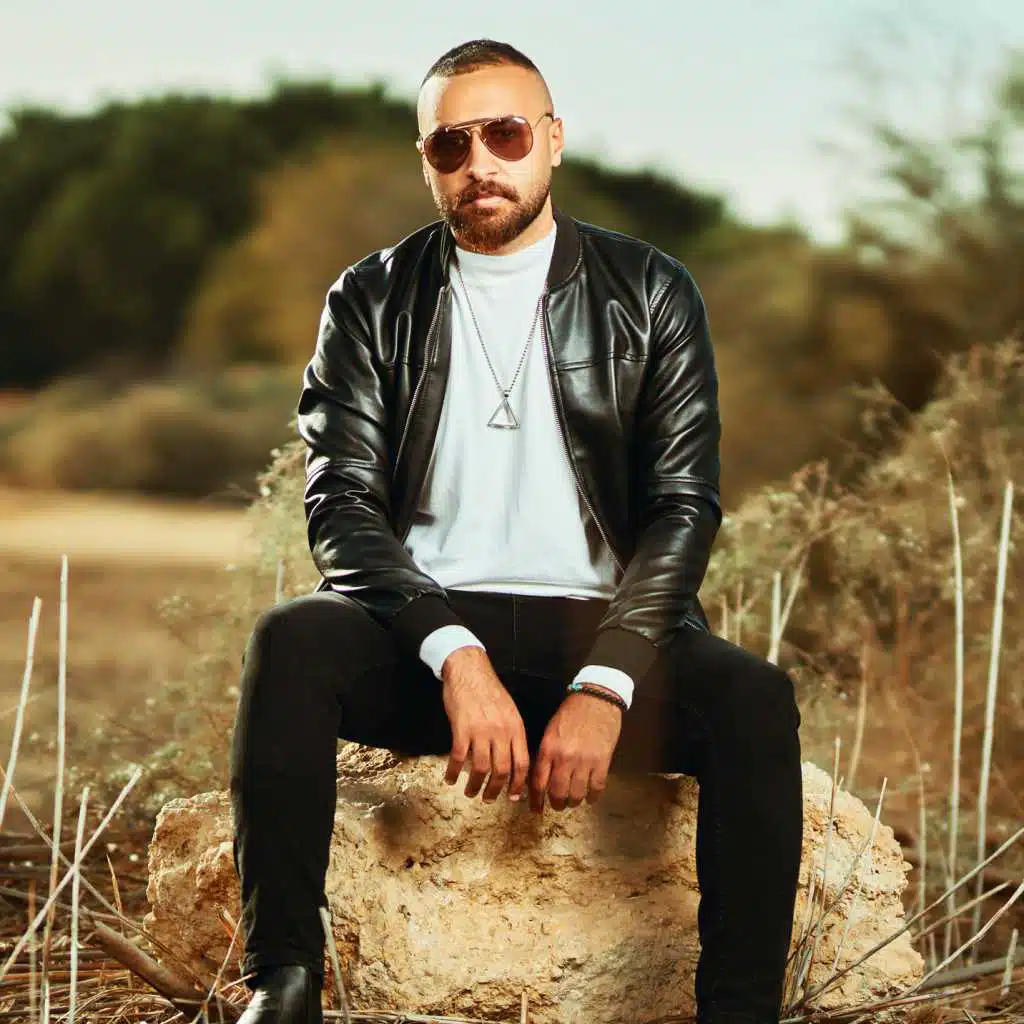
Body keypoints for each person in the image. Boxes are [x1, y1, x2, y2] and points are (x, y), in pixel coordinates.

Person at [229, 38, 803, 1024]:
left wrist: (608, 682)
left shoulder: (650, 289)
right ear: (426, 161)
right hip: (423, 635)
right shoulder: (370, 298)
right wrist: (455, 657)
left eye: (504, 133)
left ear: (553, 140)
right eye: (449, 145)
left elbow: (682, 505)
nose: (479, 163)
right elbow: (341, 506)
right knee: (291, 641)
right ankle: (282, 984)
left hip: (603, 629)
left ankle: (739, 1011)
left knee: (754, 700)